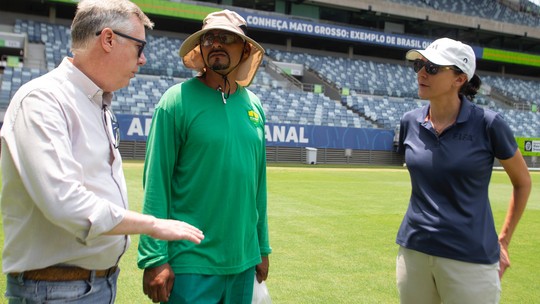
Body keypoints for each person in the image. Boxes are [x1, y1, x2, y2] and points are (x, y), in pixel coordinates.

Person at [0, 0, 204, 303]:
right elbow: (65, 203)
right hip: (55, 290)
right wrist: (154, 225)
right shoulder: (43, 100)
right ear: (108, 39)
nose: (144, 59)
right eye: (139, 47)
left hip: (94, 284)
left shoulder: (97, 103)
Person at [137, 9, 271, 304]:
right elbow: (156, 183)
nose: (216, 44)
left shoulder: (255, 107)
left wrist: (262, 248)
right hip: (190, 264)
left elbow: (257, 185)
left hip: (244, 261)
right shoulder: (175, 102)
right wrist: (154, 257)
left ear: (245, 49)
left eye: (227, 38)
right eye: (209, 38)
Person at [395, 37, 531, 304]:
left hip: (470, 258)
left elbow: (523, 181)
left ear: (460, 79)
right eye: (419, 65)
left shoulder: (489, 124)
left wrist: (503, 240)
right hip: (414, 252)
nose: (421, 72)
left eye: (432, 67)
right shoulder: (409, 121)